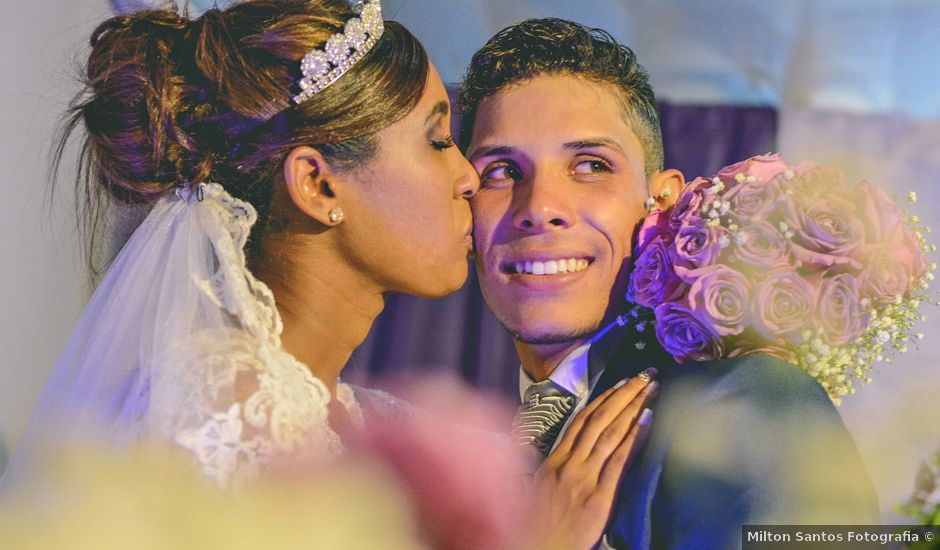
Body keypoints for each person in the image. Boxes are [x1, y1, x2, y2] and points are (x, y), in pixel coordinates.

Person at [4, 3, 658, 546]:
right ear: (318, 185)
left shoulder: (358, 423)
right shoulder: (219, 418)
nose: (468, 179)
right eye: (437, 142)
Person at [460, 17, 881, 549]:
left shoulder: (750, 404)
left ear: (661, 200)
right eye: (500, 172)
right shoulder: (471, 448)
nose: (539, 209)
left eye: (589, 164)